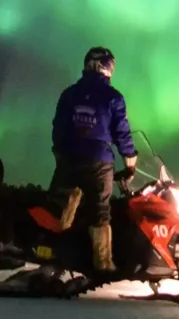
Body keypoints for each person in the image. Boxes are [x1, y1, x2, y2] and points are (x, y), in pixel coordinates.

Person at [49, 46, 137, 272]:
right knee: (100, 212)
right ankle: (103, 264)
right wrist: (130, 159)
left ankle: (52, 252)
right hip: (99, 161)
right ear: (105, 66)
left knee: (61, 204)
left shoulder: (69, 94)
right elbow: (122, 132)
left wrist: (62, 153)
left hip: (69, 158)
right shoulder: (113, 97)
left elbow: (58, 129)